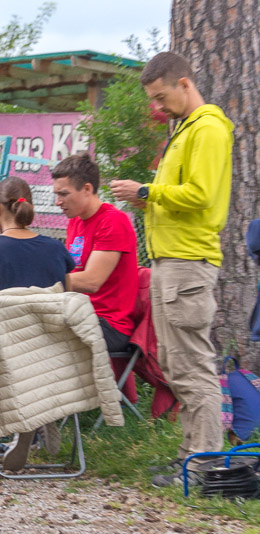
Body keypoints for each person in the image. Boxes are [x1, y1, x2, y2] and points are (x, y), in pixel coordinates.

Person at [109, 51, 234, 488]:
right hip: (169, 264)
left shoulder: (209, 128)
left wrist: (147, 189)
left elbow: (199, 194)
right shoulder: (185, 130)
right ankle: (190, 463)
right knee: (177, 367)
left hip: (187, 265)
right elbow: (179, 196)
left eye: (162, 97)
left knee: (194, 368)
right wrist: (148, 200)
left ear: (184, 84)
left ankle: (204, 469)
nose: (158, 107)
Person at [0, 176, 75, 469]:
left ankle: (20, 424)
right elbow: (68, 306)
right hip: (54, 359)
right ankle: (41, 413)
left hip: (8, 360)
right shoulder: (58, 251)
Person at [52, 152, 138, 353]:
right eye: (56, 194)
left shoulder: (113, 221)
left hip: (109, 324)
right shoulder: (75, 221)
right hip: (79, 313)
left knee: (31, 339)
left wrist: (42, 280)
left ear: (87, 189)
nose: (57, 202)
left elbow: (92, 281)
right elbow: (70, 274)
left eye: (63, 194)